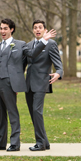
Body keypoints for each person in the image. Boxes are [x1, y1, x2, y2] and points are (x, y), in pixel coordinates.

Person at [0, 19, 54, 151]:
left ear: (11, 29)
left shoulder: (20, 44)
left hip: (9, 83)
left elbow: (32, 54)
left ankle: (15, 143)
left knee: (12, 113)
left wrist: (43, 41)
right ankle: (0, 142)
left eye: (5, 28)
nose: (2, 31)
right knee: (1, 114)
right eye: (1, 28)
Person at [24, 20, 63, 151]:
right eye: (35, 28)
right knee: (33, 113)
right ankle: (45, 141)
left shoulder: (51, 44)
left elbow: (58, 63)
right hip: (28, 84)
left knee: (37, 111)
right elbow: (25, 62)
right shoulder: (29, 45)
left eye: (40, 27)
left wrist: (58, 73)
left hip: (41, 82)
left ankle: (40, 144)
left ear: (45, 30)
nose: (37, 30)